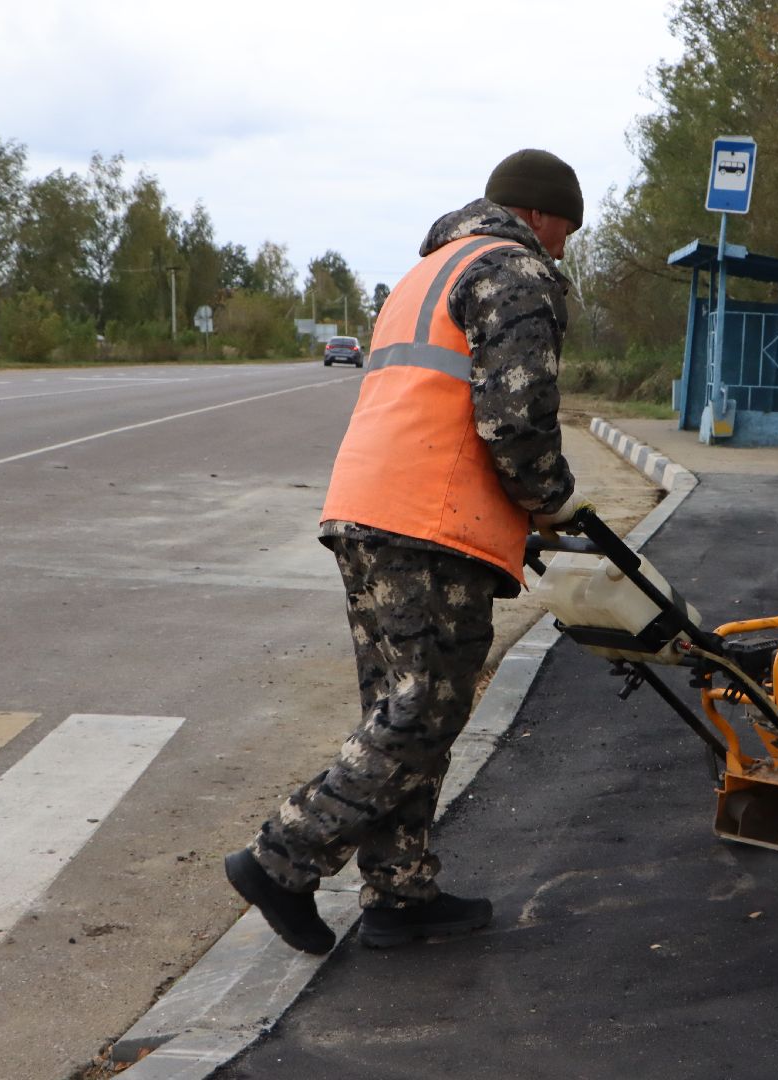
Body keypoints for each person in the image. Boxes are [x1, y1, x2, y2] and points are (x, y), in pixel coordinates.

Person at [225, 149, 591, 953]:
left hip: (365, 510)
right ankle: (281, 857)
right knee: (423, 710)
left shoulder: (425, 273)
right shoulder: (514, 270)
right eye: (566, 230)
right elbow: (515, 418)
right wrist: (553, 500)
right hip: (430, 524)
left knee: (397, 710)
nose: (563, 249)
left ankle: (399, 893)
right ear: (539, 215)